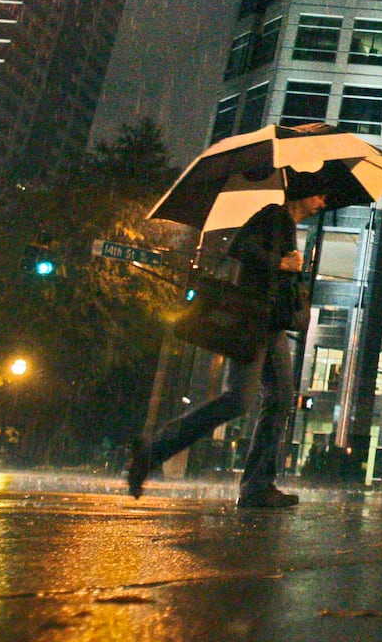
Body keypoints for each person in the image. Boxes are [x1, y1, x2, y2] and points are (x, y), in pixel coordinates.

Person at [127, 173, 326, 508]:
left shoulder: (286, 225)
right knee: (239, 399)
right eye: (320, 195)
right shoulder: (273, 215)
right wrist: (280, 262)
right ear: (303, 192)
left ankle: (257, 486)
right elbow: (240, 247)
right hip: (255, 321)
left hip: (271, 323)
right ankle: (153, 450)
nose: (322, 203)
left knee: (280, 397)